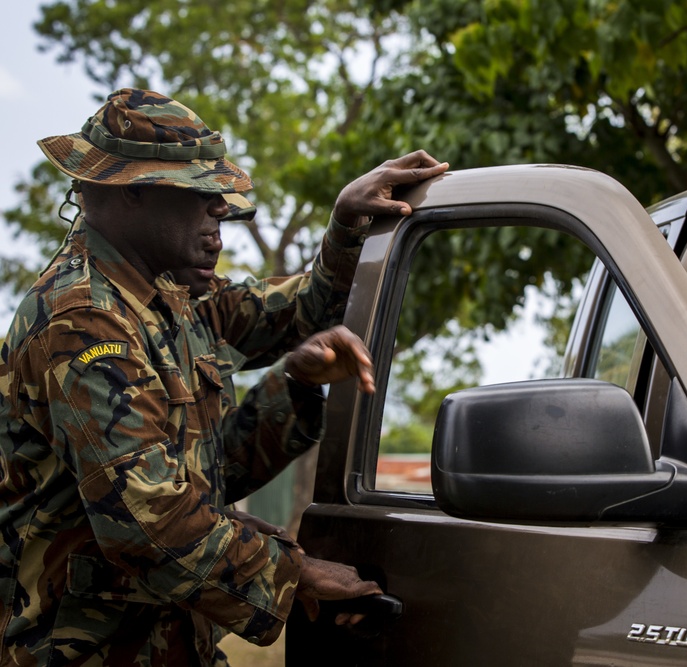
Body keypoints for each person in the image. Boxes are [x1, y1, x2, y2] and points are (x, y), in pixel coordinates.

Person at [0, 88, 448, 665]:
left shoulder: (170, 295)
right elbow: (148, 524)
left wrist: (300, 377)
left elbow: (211, 468)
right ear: (132, 191)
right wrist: (298, 571)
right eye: (200, 193)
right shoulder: (81, 322)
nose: (221, 211)